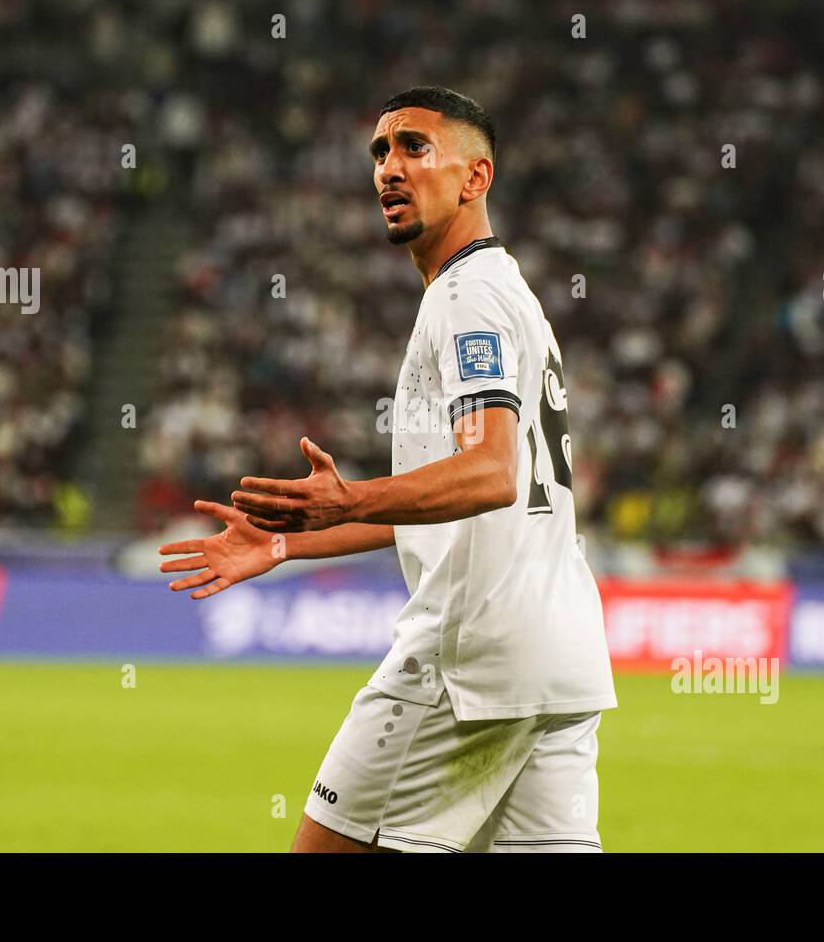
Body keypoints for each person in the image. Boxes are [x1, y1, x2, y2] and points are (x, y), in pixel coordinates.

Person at [158, 86, 616, 851]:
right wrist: (287, 541)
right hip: (555, 657)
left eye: (414, 147)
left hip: (466, 663)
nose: (389, 169)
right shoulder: (507, 296)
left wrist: (347, 500)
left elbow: (491, 472)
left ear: (476, 178)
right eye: (379, 152)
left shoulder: (466, 300)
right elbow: (462, 500)